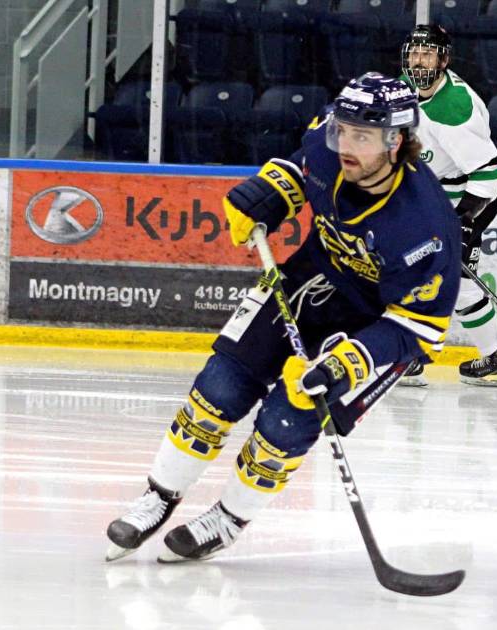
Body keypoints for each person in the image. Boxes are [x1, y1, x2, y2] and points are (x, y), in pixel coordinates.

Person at [105, 72, 461, 563]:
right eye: (343, 130)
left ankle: (228, 518)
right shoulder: (327, 144)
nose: (344, 145)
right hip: (308, 281)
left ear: (397, 142)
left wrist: (345, 363)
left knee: (286, 421)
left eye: (363, 136)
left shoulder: (424, 229)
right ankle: (160, 495)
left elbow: (419, 331)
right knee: (220, 385)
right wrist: (269, 195)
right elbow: (300, 171)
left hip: (372, 326)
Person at [398, 24, 497, 388]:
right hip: (430, 197)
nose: (419, 61)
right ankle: (418, 356)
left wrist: (464, 221)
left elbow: (488, 172)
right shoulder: (403, 90)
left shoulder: (453, 108)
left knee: (454, 282)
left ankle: (495, 357)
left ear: (443, 59)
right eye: (414, 53)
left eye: (428, 54)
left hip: (467, 199)